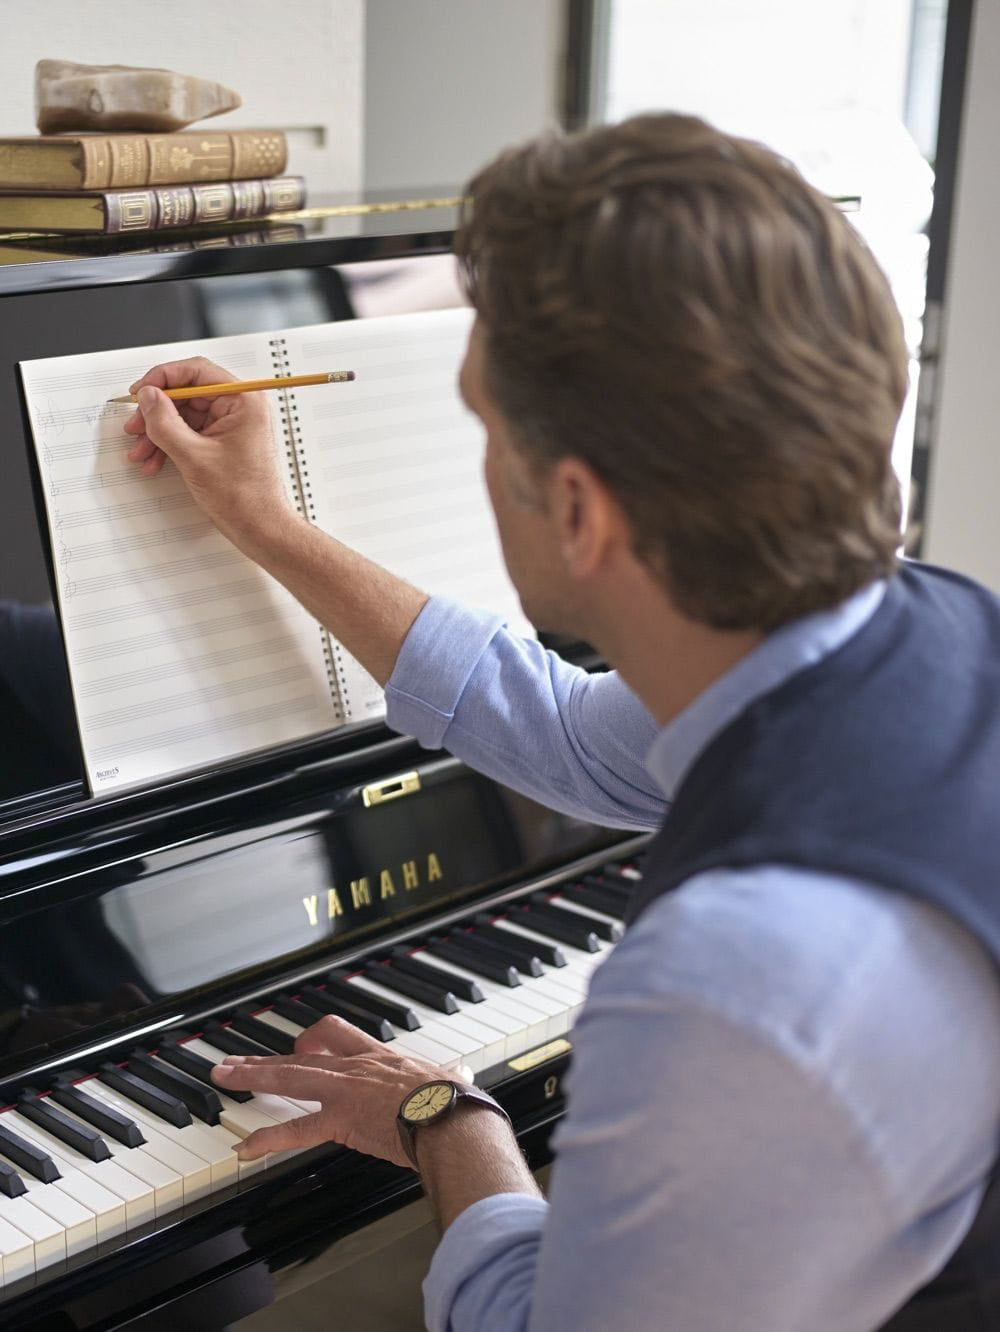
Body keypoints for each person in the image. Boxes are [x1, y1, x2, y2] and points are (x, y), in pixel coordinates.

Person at [122, 113, 1000, 1332]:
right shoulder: (927, 628)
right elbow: (563, 728)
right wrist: (271, 529)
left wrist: (446, 1118)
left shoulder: (737, 980)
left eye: (481, 424)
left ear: (579, 511)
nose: (478, 457)